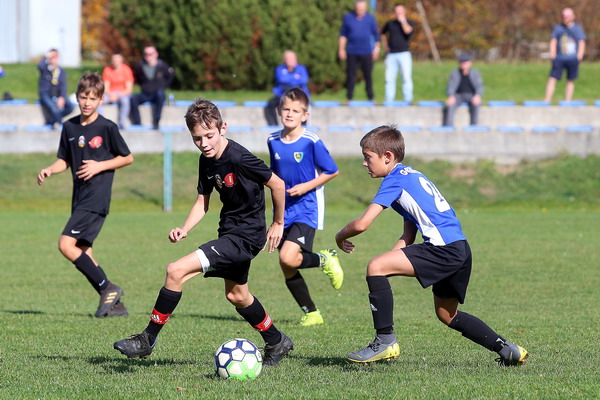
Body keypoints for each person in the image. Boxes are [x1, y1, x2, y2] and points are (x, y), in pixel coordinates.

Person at [114, 99, 294, 367]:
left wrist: (278, 223)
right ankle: (277, 340)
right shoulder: (206, 161)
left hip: (245, 237)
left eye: (209, 136)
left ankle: (147, 339)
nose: (204, 143)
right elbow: (202, 202)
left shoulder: (239, 157)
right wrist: (184, 228)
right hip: (229, 233)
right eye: (197, 138)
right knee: (237, 296)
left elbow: (277, 184)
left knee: (175, 270)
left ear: (223, 128)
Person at [335, 125, 529, 366]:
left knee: (375, 266)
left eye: (367, 157)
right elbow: (409, 234)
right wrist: (390, 265)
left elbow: (362, 224)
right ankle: (508, 350)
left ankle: (385, 341)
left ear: (387, 156)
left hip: (442, 249)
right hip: (460, 248)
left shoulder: (394, 181)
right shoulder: (412, 176)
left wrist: (339, 237)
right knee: (448, 315)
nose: (364, 163)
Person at [37, 73, 134, 318]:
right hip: (79, 197)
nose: (87, 103)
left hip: (96, 197)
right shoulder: (69, 126)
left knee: (65, 244)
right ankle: (116, 305)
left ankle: (108, 288)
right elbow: (65, 160)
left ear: (101, 100)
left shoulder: (107, 127)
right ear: (77, 97)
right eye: (83, 97)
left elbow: (127, 157)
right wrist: (50, 169)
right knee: (83, 250)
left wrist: (99, 166)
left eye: (92, 98)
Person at [267, 87, 343, 327]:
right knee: (287, 264)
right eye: (286, 109)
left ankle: (325, 259)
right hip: (283, 210)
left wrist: (305, 187)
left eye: (295, 110)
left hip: (307, 208)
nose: (290, 114)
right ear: (279, 110)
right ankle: (312, 313)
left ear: (305, 115)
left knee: (288, 257)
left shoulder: (311, 141)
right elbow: (274, 175)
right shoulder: (272, 140)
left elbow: (332, 170)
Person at [338, 0, 380, 102]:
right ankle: (349, 98)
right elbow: (343, 35)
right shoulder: (348, 17)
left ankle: (370, 98)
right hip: (352, 51)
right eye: (358, 9)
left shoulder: (370, 18)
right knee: (351, 76)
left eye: (362, 9)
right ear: (355, 8)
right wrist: (341, 49)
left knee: (368, 75)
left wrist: (376, 49)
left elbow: (376, 36)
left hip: (366, 52)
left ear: (365, 8)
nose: (360, 11)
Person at [543, 8, 586, 103]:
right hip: (559, 58)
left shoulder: (577, 28)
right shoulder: (558, 28)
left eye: (568, 16)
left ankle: (567, 101)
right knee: (552, 78)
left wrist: (580, 55)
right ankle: (547, 100)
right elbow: (553, 40)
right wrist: (552, 54)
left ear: (573, 17)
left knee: (570, 80)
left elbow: (581, 42)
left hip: (573, 58)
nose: (566, 18)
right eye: (564, 16)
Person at [130, 45, 174, 129]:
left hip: (157, 94)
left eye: (150, 54)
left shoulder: (162, 65)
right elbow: (138, 78)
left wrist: (163, 86)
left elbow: (170, 77)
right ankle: (137, 123)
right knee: (133, 98)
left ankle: (156, 121)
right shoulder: (140, 66)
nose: (148, 56)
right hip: (145, 94)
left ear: (156, 54)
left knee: (160, 94)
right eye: (146, 54)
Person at [264, 50, 310, 126]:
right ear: (285, 60)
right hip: (282, 95)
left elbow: (303, 80)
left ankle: (301, 127)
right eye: (290, 59)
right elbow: (282, 79)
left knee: (302, 106)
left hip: (299, 96)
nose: (292, 61)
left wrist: (289, 80)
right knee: (270, 104)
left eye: (293, 58)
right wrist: (295, 78)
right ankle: (274, 126)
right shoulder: (279, 69)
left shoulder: (301, 69)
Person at [381, 4, 415, 104]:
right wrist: (385, 45)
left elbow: (408, 31)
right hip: (391, 54)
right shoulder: (390, 23)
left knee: (406, 77)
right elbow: (382, 33)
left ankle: (408, 98)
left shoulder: (409, 22)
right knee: (389, 78)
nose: (399, 13)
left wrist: (403, 21)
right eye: (397, 11)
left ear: (405, 12)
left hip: (404, 54)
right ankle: (389, 99)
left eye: (400, 11)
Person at [442, 52, 483, 127]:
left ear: (470, 63)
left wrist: (477, 95)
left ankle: (474, 126)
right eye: (462, 63)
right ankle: (449, 126)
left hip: (471, 95)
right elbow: (450, 86)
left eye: (466, 63)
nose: (464, 64)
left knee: (476, 104)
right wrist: (451, 96)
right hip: (458, 95)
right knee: (450, 104)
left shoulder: (475, 73)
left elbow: (479, 86)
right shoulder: (455, 73)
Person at [38, 49, 75, 128]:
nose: (53, 59)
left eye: (55, 57)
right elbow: (40, 65)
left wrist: (62, 97)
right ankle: (59, 124)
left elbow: (63, 85)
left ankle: (52, 121)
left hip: (57, 94)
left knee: (71, 107)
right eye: (51, 57)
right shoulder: (45, 68)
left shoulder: (61, 71)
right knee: (54, 109)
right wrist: (46, 56)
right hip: (45, 94)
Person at [102, 52, 134, 129]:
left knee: (125, 101)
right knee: (99, 100)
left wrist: (118, 95)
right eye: (114, 59)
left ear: (121, 59)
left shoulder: (127, 70)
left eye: (117, 59)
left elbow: (129, 89)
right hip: (110, 93)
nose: (116, 61)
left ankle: (122, 123)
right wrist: (111, 94)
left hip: (123, 93)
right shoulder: (107, 70)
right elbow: (106, 87)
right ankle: (101, 122)